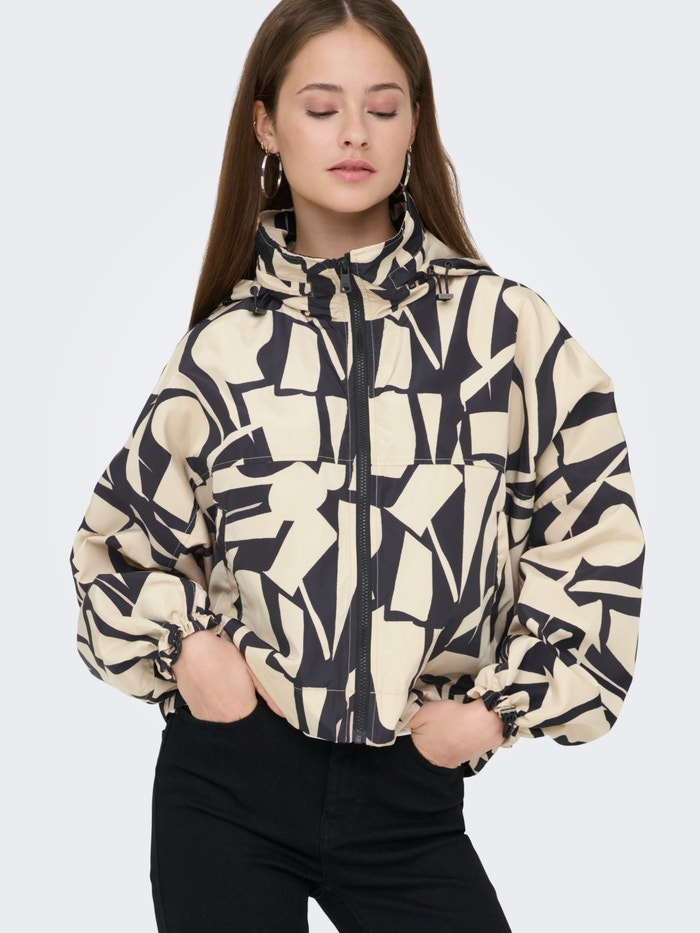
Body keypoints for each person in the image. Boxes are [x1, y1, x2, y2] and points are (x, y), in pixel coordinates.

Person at [70, 1, 645, 930]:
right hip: (229, 781)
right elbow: (117, 548)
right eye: (321, 107)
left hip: (411, 796)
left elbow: (594, 532)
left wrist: (497, 709)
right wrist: (190, 650)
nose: (354, 133)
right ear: (266, 125)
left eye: (382, 107)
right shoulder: (225, 349)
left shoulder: (503, 331)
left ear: (415, 122)